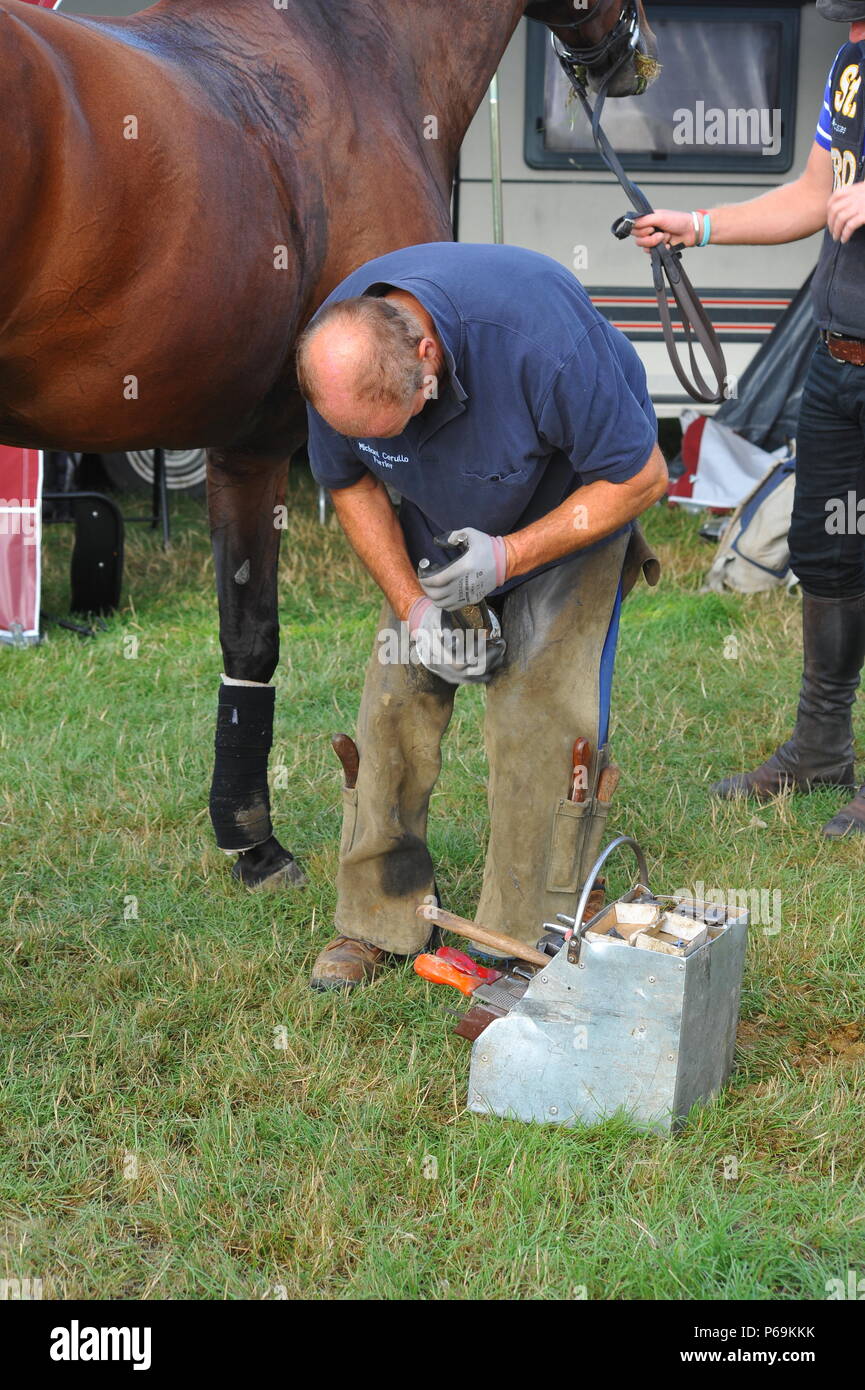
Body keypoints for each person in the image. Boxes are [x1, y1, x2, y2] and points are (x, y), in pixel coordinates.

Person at [296, 241, 666, 990]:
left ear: (427, 351)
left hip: (569, 520)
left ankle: (521, 936)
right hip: (440, 530)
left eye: (405, 417)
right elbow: (352, 488)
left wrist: (508, 560)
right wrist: (415, 607)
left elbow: (640, 477)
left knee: (534, 716)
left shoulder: (540, 341)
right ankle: (377, 919)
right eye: (378, 437)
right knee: (393, 706)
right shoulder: (337, 355)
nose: (393, 444)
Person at [631, 0, 865, 838]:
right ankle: (819, 749)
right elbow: (811, 193)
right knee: (825, 555)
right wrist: (697, 227)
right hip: (837, 358)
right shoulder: (849, 65)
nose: (844, 25)